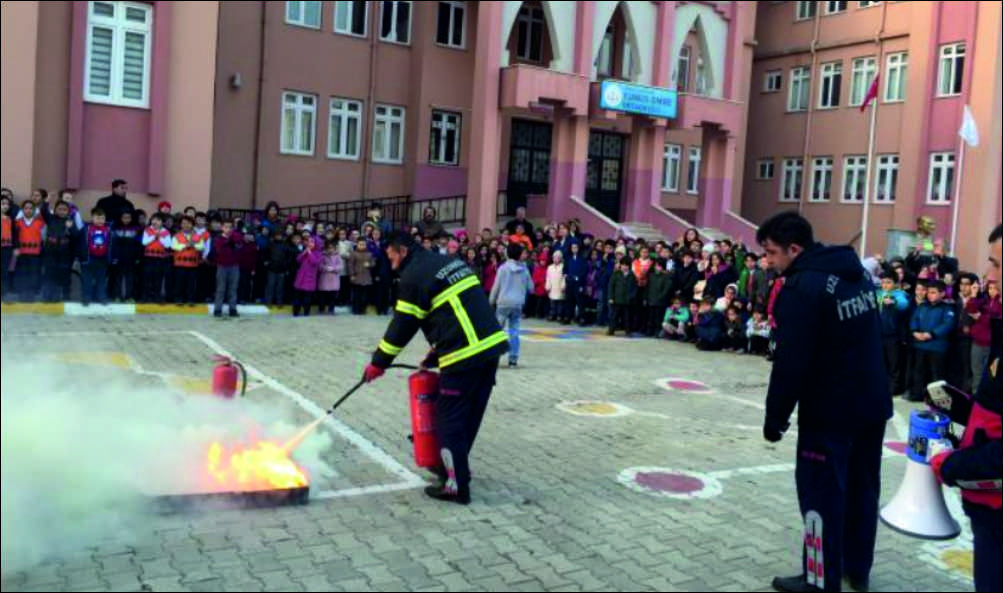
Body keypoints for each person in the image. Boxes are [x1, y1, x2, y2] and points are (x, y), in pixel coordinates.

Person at [758, 212, 891, 593]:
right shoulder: (857, 275)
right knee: (862, 489)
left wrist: (775, 418)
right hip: (871, 404)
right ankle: (856, 568)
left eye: (771, 254)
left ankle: (819, 580)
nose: (768, 262)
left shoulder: (803, 288)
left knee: (821, 495)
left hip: (830, 413)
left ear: (794, 249)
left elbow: (791, 363)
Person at [362, 232, 508, 505]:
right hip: (490, 349)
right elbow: (455, 310)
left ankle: (456, 486)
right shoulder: (447, 262)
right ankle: (457, 469)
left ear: (402, 251)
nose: (388, 258)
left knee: (447, 419)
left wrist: (378, 362)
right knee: (467, 416)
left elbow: (403, 325)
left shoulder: (413, 277)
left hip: (465, 354)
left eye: (390, 253)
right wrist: (436, 351)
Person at [927, 222, 1002, 593]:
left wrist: (950, 467)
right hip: (989, 508)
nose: (989, 275)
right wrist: (965, 411)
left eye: (997, 265)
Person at [489, 243, 533, 368]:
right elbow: (531, 287)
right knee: (514, 331)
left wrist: (491, 300)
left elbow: (496, 286)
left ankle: (493, 357)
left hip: (503, 303)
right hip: (518, 304)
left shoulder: (503, 268)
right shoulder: (524, 269)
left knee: (497, 331)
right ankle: (513, 359)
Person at [79, 208, 112, 306]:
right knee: (87, 279)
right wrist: (79, 255)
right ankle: (86, 297)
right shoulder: (86, 229)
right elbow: (80, 243)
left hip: (102, 259)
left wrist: (112, 257)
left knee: (101, 280)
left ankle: (101, 297)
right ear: (92, 218)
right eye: (97, 218)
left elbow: (113, 244)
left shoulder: (109, 230)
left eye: (102, 218)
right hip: (88, 259)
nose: (100, 221)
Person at [212, 220, 243, 318]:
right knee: (220, 288)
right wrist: (227, 242)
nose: (228, 229)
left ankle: (232, 309)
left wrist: (234, 242)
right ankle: (218, 309)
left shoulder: (236, 238)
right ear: (222, 228)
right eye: (226, 227)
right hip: (222, 266)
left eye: (230, 227)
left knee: (233, 288)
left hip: (234, 266)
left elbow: (239, 248)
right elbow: (217, 251)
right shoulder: (218, 239)